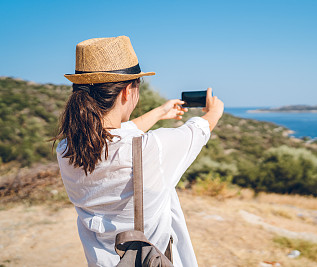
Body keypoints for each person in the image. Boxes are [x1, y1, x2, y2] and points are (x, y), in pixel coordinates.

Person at [54, 36, 224, 267]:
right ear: (127, 92)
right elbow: (200, 128)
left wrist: (159, 113)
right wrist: (214, 110)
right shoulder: (152, 149)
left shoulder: (67, 149)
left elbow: (116, 134)